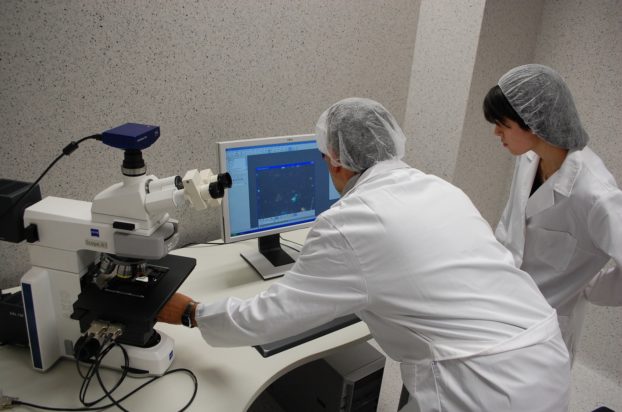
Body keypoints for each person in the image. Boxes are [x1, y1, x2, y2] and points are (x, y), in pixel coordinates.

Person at [159, 97, 570, 411]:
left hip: (485, 386)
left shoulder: (349, 222)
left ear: (335, 161)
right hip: (545, 355)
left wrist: (191, 312)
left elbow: (271, 318)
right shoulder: (439, 187)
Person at [483, 64, 622, 361]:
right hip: (501, 301)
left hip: (545, 328)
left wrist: (590, 287)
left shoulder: (596, 194)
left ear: (533, 122)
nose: (496, 132)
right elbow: (511, 226)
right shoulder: (529, 157)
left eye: (503, 124)